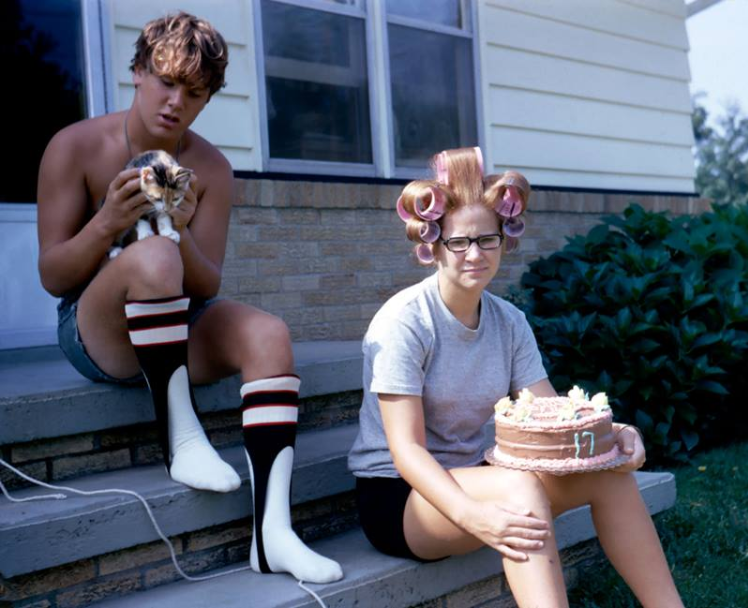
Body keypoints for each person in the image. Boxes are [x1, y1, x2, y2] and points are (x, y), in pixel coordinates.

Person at [36, 12, 341, 585]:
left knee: (269, 333)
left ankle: (273, 534)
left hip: (176, 322)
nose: (175, 101)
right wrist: (106, 224)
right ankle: (182, 440)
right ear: (137, 73)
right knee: (153, 258)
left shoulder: (212, 168)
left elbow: (206, 285)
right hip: (96, 332)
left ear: (206, 101)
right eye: (165, 81)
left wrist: (182, 223)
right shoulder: (74, 146)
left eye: (193, 93)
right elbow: (53, 275)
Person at [347, 146, 684, 607]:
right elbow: (406, 452)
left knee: (611, 477)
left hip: (482, 477)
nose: (474, 254)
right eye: (458, 242)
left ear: (503, 241)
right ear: (433, 247)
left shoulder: (508, 322)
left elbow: (548, 417)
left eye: (487, 240)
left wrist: (617, 433)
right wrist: (474, 515)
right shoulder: (405, 321)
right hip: (401, 498)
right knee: (518, 484)